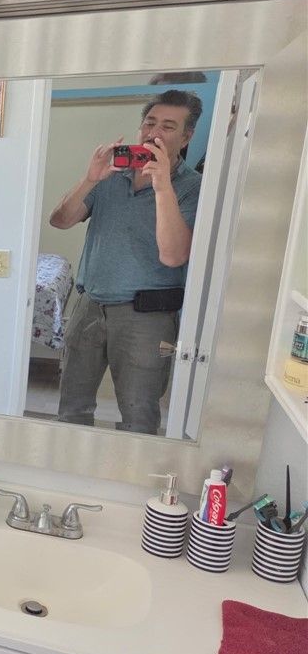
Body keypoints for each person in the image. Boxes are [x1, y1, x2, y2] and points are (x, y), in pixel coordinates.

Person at [49, 89, 203, 435]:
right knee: (71, 408)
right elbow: (60, 220)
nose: (154, 132)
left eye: (168, 127)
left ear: (186, 137)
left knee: (139, 416)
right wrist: (90, 179)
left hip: (146, 318)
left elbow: (174, 255)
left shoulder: (192, 187)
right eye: (149, 122)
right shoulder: (111, 174)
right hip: (89, 305)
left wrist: (163, 187)